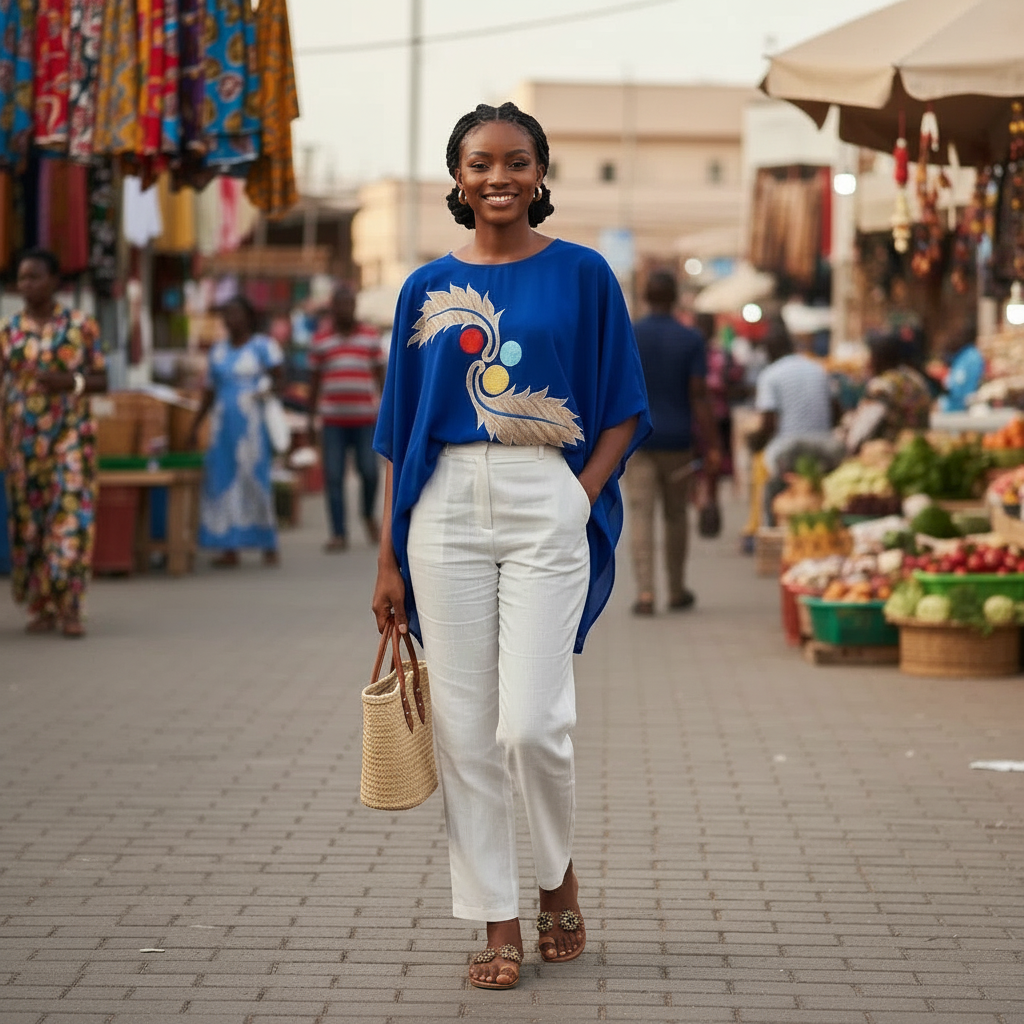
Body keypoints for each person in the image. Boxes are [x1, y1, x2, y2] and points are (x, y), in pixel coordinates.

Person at [371, 102, 651, 991]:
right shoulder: (423, 288)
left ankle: (556, 876)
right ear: (458, 178)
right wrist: (387, 556)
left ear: (540, 173)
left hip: (546, 494)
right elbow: (398, 431)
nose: (500, 177)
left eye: (517, 161)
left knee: (532, 724)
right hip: (443, 508)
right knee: (464, 731)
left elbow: (624, 406)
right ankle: (496, 919)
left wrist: (580, 495)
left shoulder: (584, 274)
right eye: (482, 163)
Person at [0, 248, 107, 637]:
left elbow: (101, 380)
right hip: (23, 441)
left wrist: (69, 382)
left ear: (55, 281)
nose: (27, 284)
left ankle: (70, 606)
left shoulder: (81, 326)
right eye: (22, 278)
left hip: (70, 435)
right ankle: (41, 605)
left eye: (35, 277)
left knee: (70, 517)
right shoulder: (8, 330)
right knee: (30, 524)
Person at [624, 272, 721, 616]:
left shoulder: (630, 334)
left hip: (638, 440)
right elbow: (699, 395)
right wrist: (713, 444)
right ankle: (677, 589)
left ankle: (645, 593)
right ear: (676, 296)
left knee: (641, 514)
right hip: (679, 441)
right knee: (676, 515)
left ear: (646, 296)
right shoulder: (690, 338)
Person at [189, 295, 284, 567]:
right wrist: (195, 426)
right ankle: (229, 546)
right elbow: (209, 392)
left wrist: (265, 390)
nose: (230, 319)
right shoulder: (217, 351)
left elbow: (280, 380)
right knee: (221, 480)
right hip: (222, 429)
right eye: (226, 314)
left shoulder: (263, 347)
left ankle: (267, 542)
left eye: (235, 313)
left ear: (248, 317)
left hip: (251, 428)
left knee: (255, 480)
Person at [307, 284, 385, 551]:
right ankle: (338, 533)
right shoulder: (321, 339)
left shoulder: (370, 337)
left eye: (349, 304)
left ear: (354, 307)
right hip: (332, 422)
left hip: (365, 420)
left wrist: (387, 412)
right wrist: (310, 419)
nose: (345, 309)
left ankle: (367, 514)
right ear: (333, 308)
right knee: (333, 476)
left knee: (370, 472)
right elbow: (314, 382)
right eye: (340, 305)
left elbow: (381, 378)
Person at [747, 321, 837, 524]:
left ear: (769, 351)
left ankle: (771, 529)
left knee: (773, 495)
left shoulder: (770, 375)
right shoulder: (818, 368)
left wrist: (755, 442)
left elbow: (768, 422)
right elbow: (835, 409)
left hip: (788, 452)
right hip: (825, 449)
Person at [848, 330, 932, 446]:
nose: (865, 362)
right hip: (920, 446)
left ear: (877, 357)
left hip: (891, 450)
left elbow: (859, 434)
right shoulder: (915, 378)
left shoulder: (882, 386)